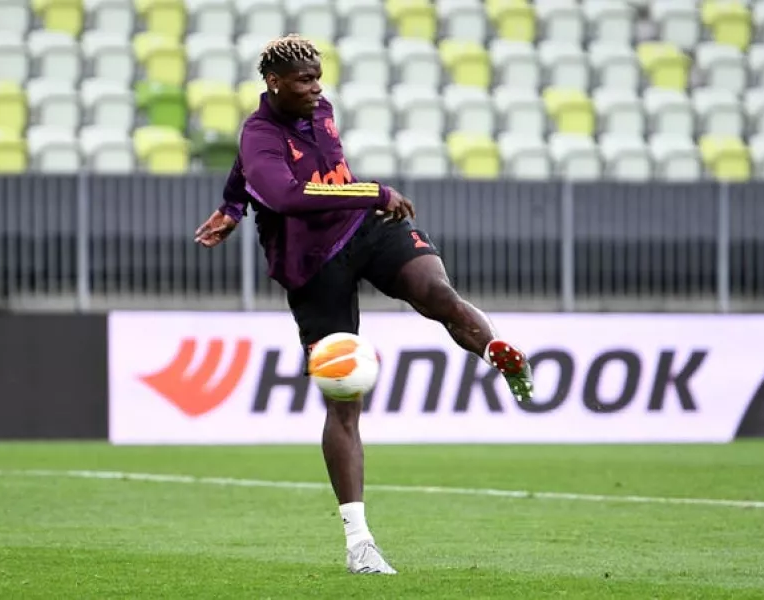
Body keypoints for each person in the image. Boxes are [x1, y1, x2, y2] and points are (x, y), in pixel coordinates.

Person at [194, 34, 534, 575]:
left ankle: (497, 353)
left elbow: (245, 175)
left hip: (362, 230)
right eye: (304, 80)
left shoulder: (318, 109)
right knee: (344, 402)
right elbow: (284, 195)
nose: (316, 88)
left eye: (318, 77)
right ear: (273, 83)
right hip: (312, 265)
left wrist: (231, 207)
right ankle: (360, 544)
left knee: (437, 293)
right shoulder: (260, 134)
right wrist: (372, 190)